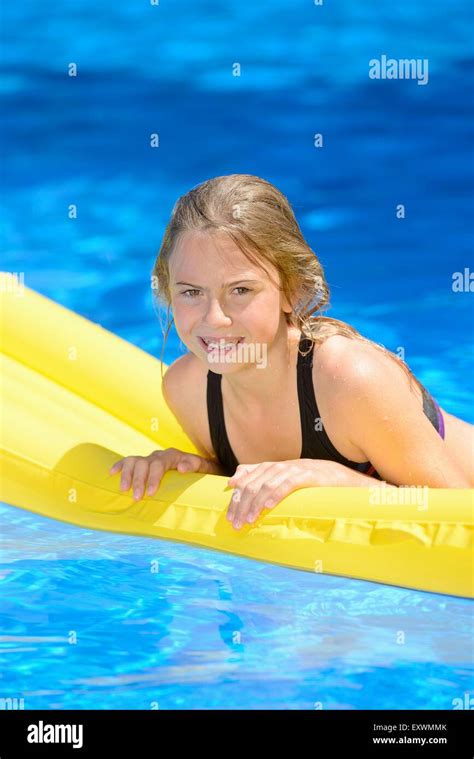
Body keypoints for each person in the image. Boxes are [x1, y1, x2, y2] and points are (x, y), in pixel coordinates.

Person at [109, 174, 473, 530]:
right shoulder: (187, 390)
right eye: (191, 292)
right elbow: (255, 481)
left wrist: (336, 479)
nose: (214, 318)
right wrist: (195, 471)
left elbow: (458, 516)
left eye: (241, 290)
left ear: (293, 290)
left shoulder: (349, 380)